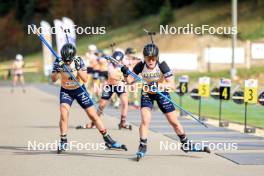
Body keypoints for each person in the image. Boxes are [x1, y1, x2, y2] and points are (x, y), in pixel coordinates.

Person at [121, 43, 204, 158]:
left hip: (161, 93)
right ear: (144, 58)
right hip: (147, 93)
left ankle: (185, 143)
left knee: (173, 122)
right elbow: (129, 81)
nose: (150, 61)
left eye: (153, 58)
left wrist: (159, 86)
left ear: (157, 57)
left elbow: (172, 84)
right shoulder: (140, 65)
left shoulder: (162, 65)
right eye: (148, 58)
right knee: (145, 120)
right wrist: (125, 73)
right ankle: (142, 145)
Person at [51, 43, 126, 152]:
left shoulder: (78, 60)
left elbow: (85, 78)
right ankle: (63, 140)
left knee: (93, 115)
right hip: (66, 91)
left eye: (69, 60)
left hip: (79, 90)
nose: (67, 62)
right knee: (63, 114)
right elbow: (53, 79)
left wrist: (77, 69)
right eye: (65, 60)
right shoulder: (58, 61)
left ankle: (108, 139)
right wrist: (58, 70)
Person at [77, 50, 131, 130]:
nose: (116, 62)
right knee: (101, 105)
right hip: (109, 86)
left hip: (120, 86)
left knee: (125, 101)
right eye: (115, 60)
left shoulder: (124, 65)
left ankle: (122, 122)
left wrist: (126, 74)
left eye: (118, 61)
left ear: (121, 60)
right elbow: (112, 75)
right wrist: (122, 77)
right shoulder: (109, 65)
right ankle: (93, 123)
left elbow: (128, 80)